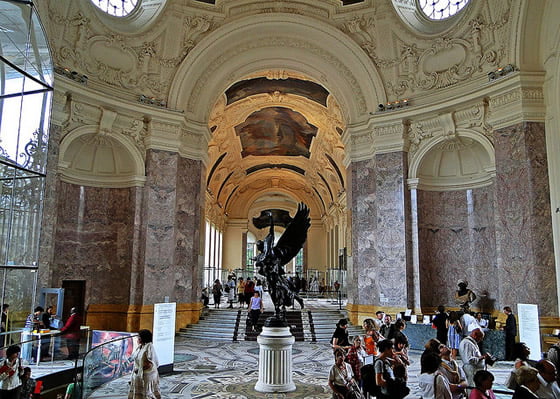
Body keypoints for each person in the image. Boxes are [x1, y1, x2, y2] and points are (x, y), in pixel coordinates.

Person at [128, 329, 161, 399]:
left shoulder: (149, 347)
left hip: (146, 376)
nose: (137, 338)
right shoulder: (140, 347)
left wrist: (139, 370)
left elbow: (150, 364)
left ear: (143, 338)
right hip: (139, 374)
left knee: (147, 394)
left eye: (139, 337)